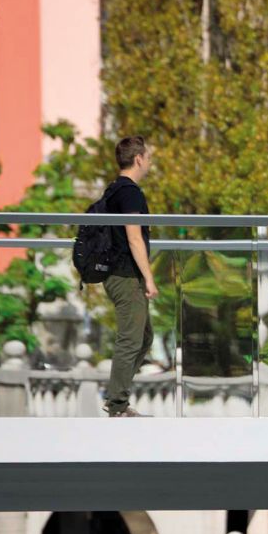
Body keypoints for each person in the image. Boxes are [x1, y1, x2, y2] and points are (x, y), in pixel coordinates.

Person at [103, 136, 159, 418]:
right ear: (138, 158)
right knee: (131, 339)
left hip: (116, 274)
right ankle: (117, 404)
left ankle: (116, 392)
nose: (149, 162)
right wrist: (149, 278)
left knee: (144, 337)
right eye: (148, 157)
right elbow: (134, 237)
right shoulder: (130, 192)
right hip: (126, 275)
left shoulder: (113, 190)